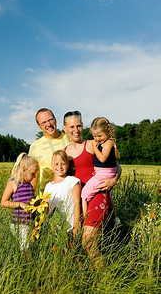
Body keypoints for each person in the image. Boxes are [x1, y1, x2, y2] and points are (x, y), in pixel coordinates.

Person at [63, 111, 121, 267]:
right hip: (78, 201)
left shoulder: (92, 144)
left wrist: (113, 181)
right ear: (65, 128)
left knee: (88, 243)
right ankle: (87, 277)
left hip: (97, 195)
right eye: (72, 126)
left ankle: (106, 280)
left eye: (79, 126)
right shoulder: (64, 153)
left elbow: (116, 166)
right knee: (74, 245)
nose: (76, 130)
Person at [81, 117, 121, 225]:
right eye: (94, 136)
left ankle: (85, 219)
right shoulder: (105, 142)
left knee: (84, 194)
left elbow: (102, 158)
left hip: (103, 175)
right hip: (104, 173)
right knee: (108, 196)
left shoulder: (109, 142)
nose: (97, 139)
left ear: (108, 132)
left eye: (100, 136)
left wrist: (94, 147)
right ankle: (114, 218)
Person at [1, 153, 39, 251]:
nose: (34, 177)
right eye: (33, 173)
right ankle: (28, 265)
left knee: (29, 245)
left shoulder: (29, 186)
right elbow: (4, 202)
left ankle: (26, 263)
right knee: (25, 248)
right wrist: (19, 204)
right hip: (19, 223)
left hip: (29, 222)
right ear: (24, 170)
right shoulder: (13, 183)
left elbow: (31, 202)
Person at [29, 108, 70, 195]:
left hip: (69, 193)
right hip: (47, 197)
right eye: (43, 122)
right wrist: (30, 199)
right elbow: (32, 176)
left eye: (50, 120)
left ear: (55, 120)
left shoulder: (69, 138)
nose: (48, 124)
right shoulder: (35, 146)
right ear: (39, 126)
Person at [44, 150, 81, 237]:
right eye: (56, 164)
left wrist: (76, 224)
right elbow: (46, 208)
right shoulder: (48, 186)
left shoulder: (72, 181)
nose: (59, 167)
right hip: (54, 228)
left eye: (63, 164)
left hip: (70, 226)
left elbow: (77, 203)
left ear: (67, 165)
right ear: (52, 166)